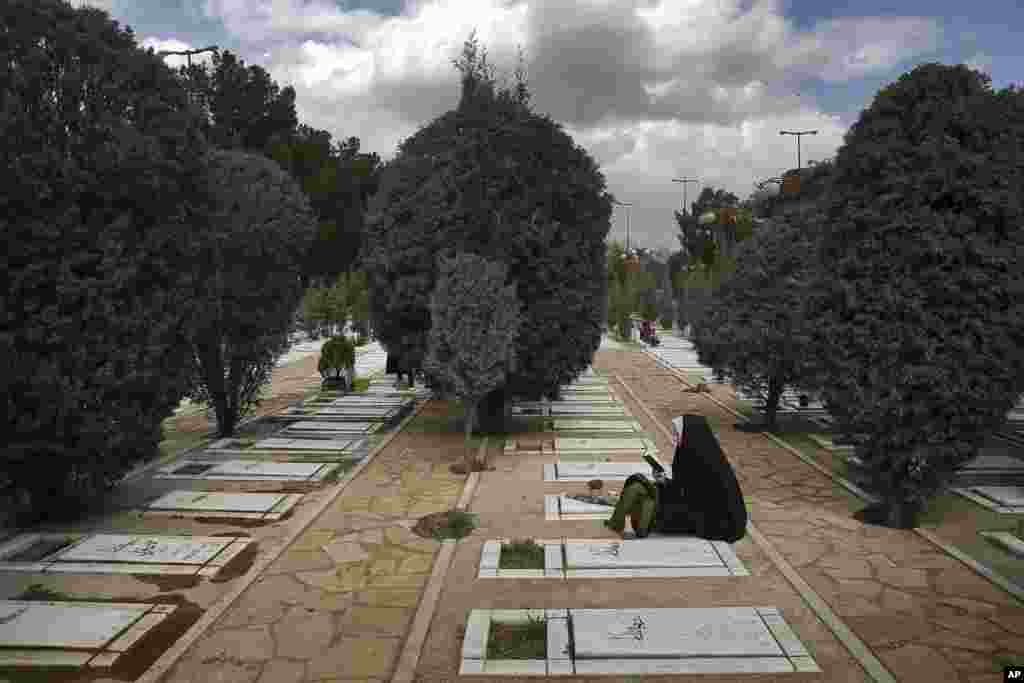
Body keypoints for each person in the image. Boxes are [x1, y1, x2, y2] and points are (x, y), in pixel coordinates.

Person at [604, 414, 747, 542]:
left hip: (694, 512)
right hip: (680, 498)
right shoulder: (686, 451)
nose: (675, 436)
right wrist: (662, 480)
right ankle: (619, 524)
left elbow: (696, 496)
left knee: (639, 487)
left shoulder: (707, 460)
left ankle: (627, 525)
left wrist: (664, 483)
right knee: (636, 484)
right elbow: (683, 486)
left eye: (678, 433)